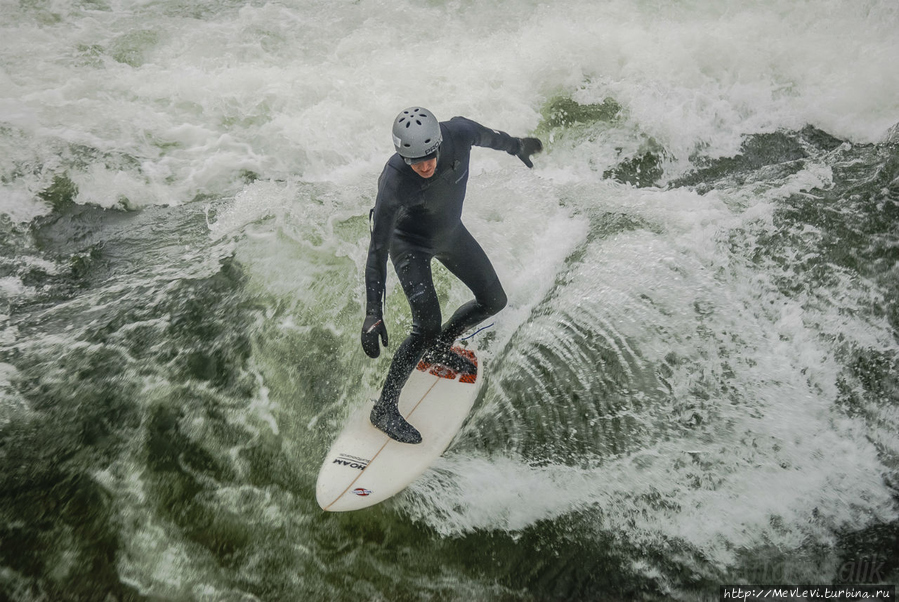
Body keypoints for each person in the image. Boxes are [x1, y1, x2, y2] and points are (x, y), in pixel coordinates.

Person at [360, 106, 543, 444]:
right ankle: (384, 409)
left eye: (430, 157)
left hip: (449, 233)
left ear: (440, 142)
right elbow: (376, 249)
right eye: (416, 162)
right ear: (402, 155)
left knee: (494, 301)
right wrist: (374, 312)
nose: (425, 166)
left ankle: (440, 348)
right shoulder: (394, 180)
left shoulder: (459, 132)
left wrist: (517, 146)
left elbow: (492, 137)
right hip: (409, 245)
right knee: (425, 325)